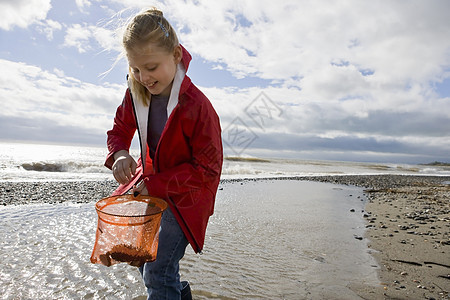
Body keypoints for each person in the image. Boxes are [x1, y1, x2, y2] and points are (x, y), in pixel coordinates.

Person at [104, 8, 223, 299]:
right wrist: (120, 153)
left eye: (152, 67)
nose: (143, 77)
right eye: (135, 69)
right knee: (146, 263)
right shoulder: (136, 91)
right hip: (152, 190)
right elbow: (119, 129)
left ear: (176, 55)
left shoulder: (198, 107)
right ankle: (180, 294)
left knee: (158, 269)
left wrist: (155, 185)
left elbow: (207, 170)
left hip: (187, 199)